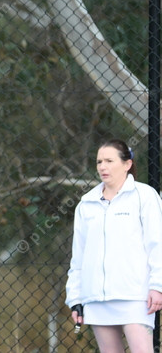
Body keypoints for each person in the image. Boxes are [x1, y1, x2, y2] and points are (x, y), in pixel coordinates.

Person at [65, 139, 162, 353]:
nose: (103, 167)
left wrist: (157, 286)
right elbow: (79, 257)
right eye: (99, 161)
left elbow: (157, 244)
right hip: (96, 300)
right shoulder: (86, 204)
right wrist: (75, 298)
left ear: (127, 164)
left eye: (109, 161)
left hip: (135, 297)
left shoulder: (145, 196)